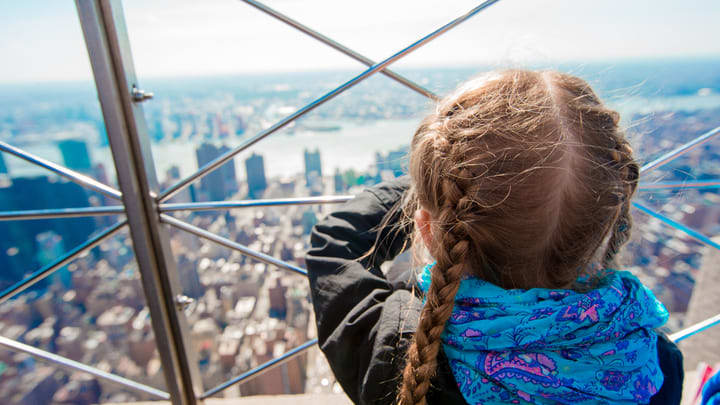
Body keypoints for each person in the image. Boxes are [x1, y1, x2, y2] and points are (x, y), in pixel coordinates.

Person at [305, 70, 684, 405]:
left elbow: (334, 244)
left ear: (428, 229)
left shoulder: (396, 352)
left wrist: (453, 186)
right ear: (604, 223)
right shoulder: (653, 362)